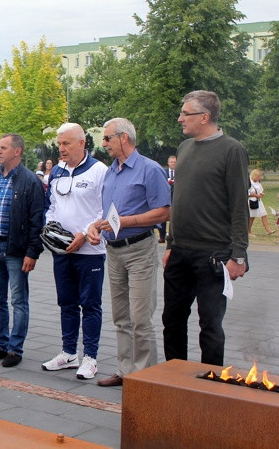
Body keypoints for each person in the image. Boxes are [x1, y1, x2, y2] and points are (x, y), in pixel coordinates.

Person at [162, 90, 250, 368]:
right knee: (172, 319)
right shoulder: (184, 149)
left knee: (210, 324)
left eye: (185, 114)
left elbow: (239, 205)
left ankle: (210, 386)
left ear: (205, 117)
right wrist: (170, 245)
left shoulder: (232, 150)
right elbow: (179, 201)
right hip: (180, 253)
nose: (180, 119)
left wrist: (239, 255)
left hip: (214, 255)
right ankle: (175, 379)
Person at [86, 118, 171, 387]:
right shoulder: (111, 171)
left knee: (140, 317)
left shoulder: (150, 169)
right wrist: (95, 226)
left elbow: (164, 211)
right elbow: (108, 213)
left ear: (124, 138)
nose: (104, 144)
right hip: (113, 250)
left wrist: (127, 221)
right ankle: (125, 371)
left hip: (139, 249)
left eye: (108, 138)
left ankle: (145, 377)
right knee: (121, 316)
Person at [41, 123, 106, 380]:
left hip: (90, 250)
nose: (61, 149)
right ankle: (69, 353)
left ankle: (90, 356)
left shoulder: (99, 171)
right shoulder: (56, 171)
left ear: (82, 143)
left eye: (66, 143)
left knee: (90, 304)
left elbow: (106, 208)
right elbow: (51, 206)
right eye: (59, 144)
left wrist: (83, 232)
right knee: (66, 302)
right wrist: (51, 228)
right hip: (62, 251)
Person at [0, 133, 45, 368]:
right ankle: (1, 345)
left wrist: (32, 252)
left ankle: (15, 350)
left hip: (16, 249)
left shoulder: (30, 181)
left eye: (4, 147)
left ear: (17, 151)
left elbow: (37, 220)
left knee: (18, 300)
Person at [248, 169, 274, 235]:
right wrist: (256, 195)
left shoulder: (257, 183)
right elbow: (247, 193)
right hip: (252, 201)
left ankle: (268, 230)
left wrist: (261, 194)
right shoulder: (250, 183)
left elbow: (260, 190)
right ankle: (249, 231)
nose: (259, 178)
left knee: (264, 215)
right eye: (258, 176)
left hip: (259, 201)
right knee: (252, 217)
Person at [156, 156, 176, 243]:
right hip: (165, 197)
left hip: (175, 197)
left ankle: (174, 237)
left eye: (175, 162)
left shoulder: (181, 172)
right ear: (168, 163)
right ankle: (162, 236)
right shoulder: (164, 172)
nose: (173, 163)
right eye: (171, 162)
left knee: (174, 218)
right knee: (163, 217)